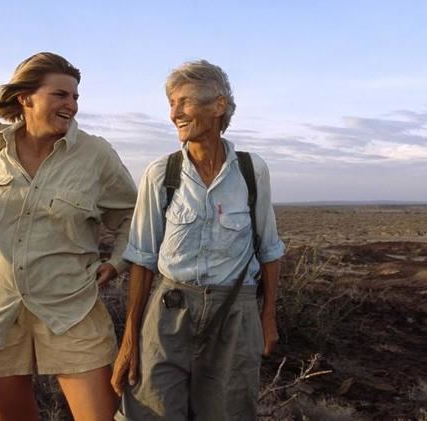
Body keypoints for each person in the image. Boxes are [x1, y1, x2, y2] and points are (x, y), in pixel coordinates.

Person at [0, 52, 137, 421]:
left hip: (70, 307)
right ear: (26, 98)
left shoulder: (95, 154)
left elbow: (132, 215)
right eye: (61, 95)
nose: (72, 105)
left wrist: (117, 262)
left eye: (76, 97)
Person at [112, 59, 285, 420]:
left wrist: (267, 319)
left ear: (218, 105)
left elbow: (269, 249)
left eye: (184, 102)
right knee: (150, 410)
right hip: (168, 312)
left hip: (234, 315)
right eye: (171, 104)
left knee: (229, 411)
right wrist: (129, 340)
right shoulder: (161, 173)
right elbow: (142, 259)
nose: (174, 113)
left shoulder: (253, 172)